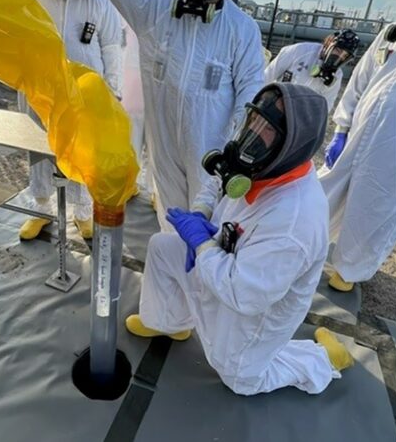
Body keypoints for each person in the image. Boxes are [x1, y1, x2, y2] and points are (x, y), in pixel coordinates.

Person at [125, 82, 354, 396]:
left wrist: (202, 245)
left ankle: (323, 358)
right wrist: (202, 214)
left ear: (292, 144)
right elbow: (218, 182)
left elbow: (245, 294)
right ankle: (168, 321)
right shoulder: (265, 164)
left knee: (240, 379)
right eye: (254, 120)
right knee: (164, 248)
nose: (253, 133)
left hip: (257, 309)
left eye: (267, 128)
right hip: (226, 261)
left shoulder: (294, 222)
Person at [76, 0, 265, 230]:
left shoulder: (241, 29)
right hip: (163, 144)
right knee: (171, 220)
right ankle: (174, 266)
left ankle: (202, 269)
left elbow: (251, 88)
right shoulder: (154, 9)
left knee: (207, 224)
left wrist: (235, 147)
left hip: (210, 153)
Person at [18, 0, 122, 240]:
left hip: (84, 93)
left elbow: (112, 44)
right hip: (41, 89)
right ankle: (41, 211)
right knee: (38, 150)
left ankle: (83, 212)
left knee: (83, 153)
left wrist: (111, 94)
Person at [318, 23, 396, 292]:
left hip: (395, 150)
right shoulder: (394, 33)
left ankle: (349, 270)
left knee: (375, 206)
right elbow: (361, 79)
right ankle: (300, 242)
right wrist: (341, 128)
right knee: (324, 189)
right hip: (357, 132)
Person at [120, 0, 158, 196]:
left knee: (152, 146)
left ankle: (150, 191)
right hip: (134, 86)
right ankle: (138, 187)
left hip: (148, 86)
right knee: (141, 144)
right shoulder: (121, 5)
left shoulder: (160, 6)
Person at [264, 29, 360, 112]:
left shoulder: (337, 76)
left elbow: (326, 105)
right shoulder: (299, 51)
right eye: (338, 51)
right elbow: (267, 76)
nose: (339, 57)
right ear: (329, 43)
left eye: (345, 56)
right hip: (275, 103)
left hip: (300, 116)